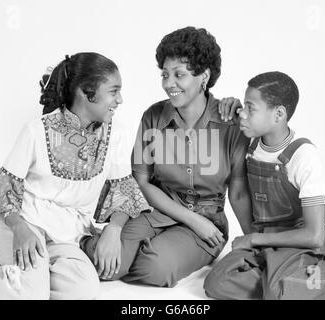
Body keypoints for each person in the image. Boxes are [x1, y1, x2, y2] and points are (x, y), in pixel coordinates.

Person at [80, 26, 253, 287]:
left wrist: (255, 243)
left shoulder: (230, 124)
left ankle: (151, 251)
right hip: (154, 210)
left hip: (207, 224)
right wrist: (115, 233)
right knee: (107, 267)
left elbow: (238, 193)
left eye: (179, 75)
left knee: (155, 269)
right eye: (164, 74)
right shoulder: (153, 116)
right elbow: (141, 181)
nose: (168, 83)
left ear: (203, 76)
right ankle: (77, 240)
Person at [0, 52, 151, 299]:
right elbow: (5, 192)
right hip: (24, 225)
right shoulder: (36, 131)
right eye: (113, 91)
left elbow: (122, 191)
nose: (120, 99)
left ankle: (15, 273)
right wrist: (19, 229)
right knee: (31, 295)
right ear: (86, 92)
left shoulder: (117, 134)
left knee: (83, 291)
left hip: (68, 235)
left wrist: (113, 230)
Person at [204, 71, 325, 300]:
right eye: (244, 104)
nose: (243, 112)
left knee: (277, 292)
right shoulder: (250, 143)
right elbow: (228, 120)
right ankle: (285, 283)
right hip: (267, 245)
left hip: (300, 245)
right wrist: (230, 107)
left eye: (251, 107)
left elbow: (313, 236)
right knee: (217, 282)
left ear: (279, 114)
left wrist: (254, 239)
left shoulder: (304, 156)